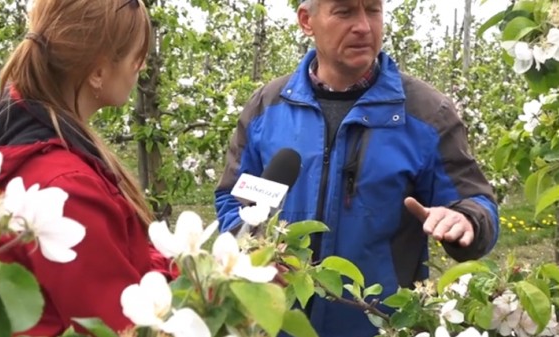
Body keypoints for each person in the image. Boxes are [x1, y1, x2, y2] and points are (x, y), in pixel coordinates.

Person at [213, 0, 500, 336]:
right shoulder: (267, 107)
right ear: (307, 21)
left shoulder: (426, 113)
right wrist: (252, 251)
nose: (364, 26)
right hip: (277, 324)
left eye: (373, 10)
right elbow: (234, 201)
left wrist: (466, 219)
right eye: (345, 11)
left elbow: (477, 203)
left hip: (380, 325)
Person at [0, 0, 177, 335]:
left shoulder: (12, 135)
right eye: (135, 57)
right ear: (98, 72)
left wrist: (181, 265)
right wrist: (220, 293)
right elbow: (120, 326)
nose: (140, 67)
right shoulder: (66, 189)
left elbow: (109, 267)